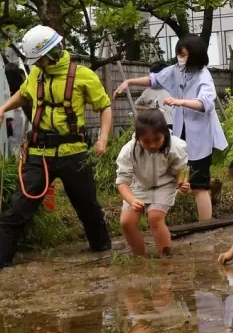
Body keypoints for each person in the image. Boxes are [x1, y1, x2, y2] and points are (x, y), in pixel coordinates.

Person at [0, 25, 112, 268]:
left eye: (39, 59)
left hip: (74, 154)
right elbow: (24, 93)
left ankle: (104, 255)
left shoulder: (83, 75)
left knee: (88, 210)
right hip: (38, 154)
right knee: (16, 211)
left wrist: (103, 139)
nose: (36, 64)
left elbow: (104, 107)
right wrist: (3, 108)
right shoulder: (36, 75)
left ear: (52, 53)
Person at [113, 35, 227, 222]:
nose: (180, 58)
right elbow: (154, 79)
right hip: (180, 130)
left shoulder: (203, 75)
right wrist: (129, 82)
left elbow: (206, 102)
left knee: (198, 185)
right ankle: (211, 185)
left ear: (195, 55)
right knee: (179, 171)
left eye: (184, 54)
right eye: (179, 54)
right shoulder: (175, 70)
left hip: (199, 134)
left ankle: (204, 224)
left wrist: (180, 101)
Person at [116, 109, 189, 258]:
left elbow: (181, 169)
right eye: (146, 141)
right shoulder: (128, 150)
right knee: (126, 222)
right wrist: (131, 200)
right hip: (138, 186)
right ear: (138, 138)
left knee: (155, 218)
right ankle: (141, 258)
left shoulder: (174, 146)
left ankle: (165, 259)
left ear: (164, 134)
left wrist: (183, 183)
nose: (153, 145)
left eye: (157, 139)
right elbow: (122, 182)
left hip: (164, 184)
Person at [135, 61, 174, 131]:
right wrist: (149, 108)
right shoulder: (147, 92)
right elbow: (136, 105)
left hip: (171, 123)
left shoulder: (171, 89)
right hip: (155, 125)